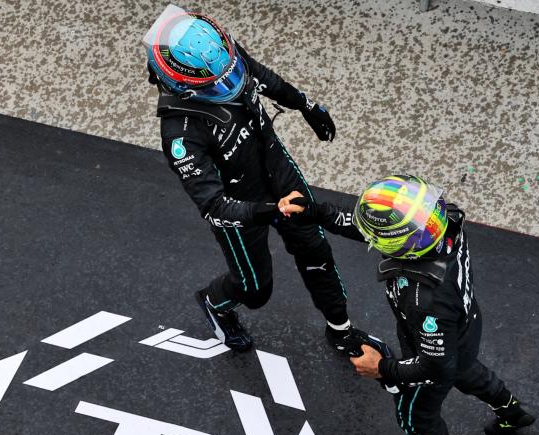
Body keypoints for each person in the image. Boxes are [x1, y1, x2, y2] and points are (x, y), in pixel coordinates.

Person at [278, 175, 536, 435]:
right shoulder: (444, 219)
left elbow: (435, 367)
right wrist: (315, 212)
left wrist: (383, 368)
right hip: (465, 327)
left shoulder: (424, 297)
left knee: (416, 416)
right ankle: (511, 411)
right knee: (467, 368)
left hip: (433, 343)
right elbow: (378, 229)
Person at [143, 5, 372, 354]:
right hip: (242, 207)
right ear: (183, 86)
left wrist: (306, 105)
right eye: (217, 83)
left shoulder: (219, 55)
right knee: (255, 291)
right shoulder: (180, 135)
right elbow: (213, 207)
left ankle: (340, 330)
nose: (230, 83)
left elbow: (260, 75)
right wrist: (271, 211)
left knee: (316, 250)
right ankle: (213, 302)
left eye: (230, 72)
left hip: (275, 169)